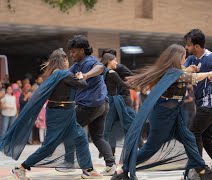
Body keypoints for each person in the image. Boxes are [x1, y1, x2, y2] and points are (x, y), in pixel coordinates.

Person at [111, 44, 212, 180]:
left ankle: (202, 170)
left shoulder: (174, 71)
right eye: (184, 56)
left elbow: (182, 74)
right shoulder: (174, 72)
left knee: (189, 139)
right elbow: (190, 78)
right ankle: (123, 169)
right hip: (163, 115)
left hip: (174, 113)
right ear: (178, 57)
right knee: (151, 148)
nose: (185, 58)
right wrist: (208, 73)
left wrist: (188, 69)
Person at [0, 49, 102, 180]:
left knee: (81, 138)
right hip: (59, 114)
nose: (67, 62)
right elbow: (82, 84)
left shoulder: (56, 74)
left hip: (65, 113)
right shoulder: (62, 74)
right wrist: (82, 76)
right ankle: (20, 168)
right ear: (62, 61)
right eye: (66, 60)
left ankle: (88, 169)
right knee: (49, 146)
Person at [67, 35, 116, 175]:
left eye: (74, 51)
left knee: (70, 130)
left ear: (82, 50)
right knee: (97, 137)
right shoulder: (76, 65)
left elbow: (100, 68)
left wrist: (86, 76)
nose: (72, 54)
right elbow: (65, 76)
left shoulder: (91, 61)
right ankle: (111, 165)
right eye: (70, 52)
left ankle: (78, 165)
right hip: (102, 105)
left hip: (91, 105)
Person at [183, 29, 212, 175]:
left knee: (193, 133)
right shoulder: (191, 59)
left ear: (196, 46)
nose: (186, 48)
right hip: (207, 105)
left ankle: (199, 168)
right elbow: (181, 71)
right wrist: (188, 69)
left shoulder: (210, 57)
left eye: (188, 45)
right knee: (206, 138)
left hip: (211, 105)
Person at [101, 53, 138, 157]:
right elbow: (123, 84)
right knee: (128, 122)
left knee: (108, 127)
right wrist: (137, 83)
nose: (116, 62)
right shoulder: (112, 73)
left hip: (106, 101)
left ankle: (107, 153)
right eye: (115, 60)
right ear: (109, 61)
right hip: (114, 101)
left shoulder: (102, 72)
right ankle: (140, 147)